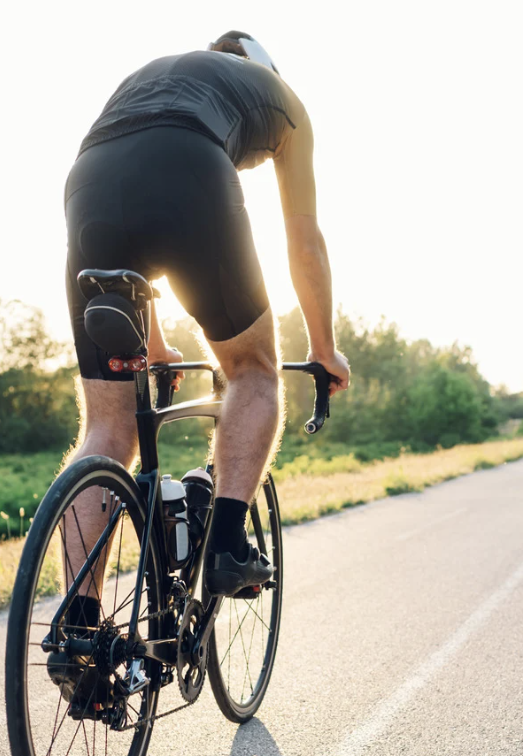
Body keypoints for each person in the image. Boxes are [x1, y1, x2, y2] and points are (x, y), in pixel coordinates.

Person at [59, 32, 350, 624]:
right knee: (254, 372)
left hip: (89, 181)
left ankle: (78, 626)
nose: (257, 160)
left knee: (109, 428)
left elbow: (139, 231)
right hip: (188, 168)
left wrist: (156, 344)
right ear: (263, 70)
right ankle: (225, 545)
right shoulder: (284, 101)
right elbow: (304, 242)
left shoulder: (157, 76)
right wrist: (324, 347)